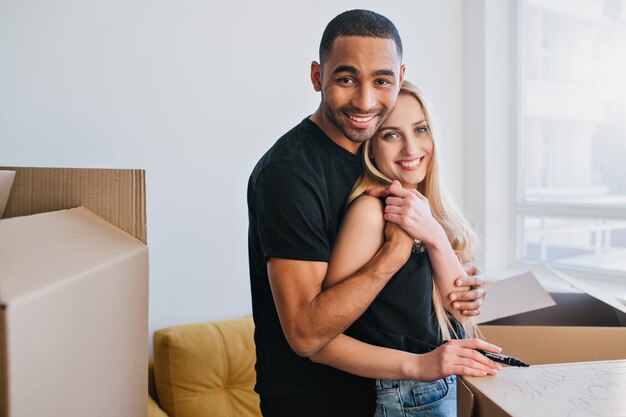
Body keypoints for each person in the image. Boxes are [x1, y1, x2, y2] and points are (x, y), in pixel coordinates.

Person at [247, 9, 490, 417]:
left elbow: (429, 304)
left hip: (389, 393)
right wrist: (395, 253)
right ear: (316, 77)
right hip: (316, 404)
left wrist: (448, 266)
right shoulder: (289, 175)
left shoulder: (371, 152)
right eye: (345, 79)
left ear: (399, 77)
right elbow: (306, 335)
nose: (364, 100)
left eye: (381, 80)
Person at [308, 81, 500, 417]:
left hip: (443, 387)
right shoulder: (370, 213)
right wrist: (419, 365)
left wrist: (437, 238)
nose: (411, 148)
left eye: (420, 129)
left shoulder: (427, 211)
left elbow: (462, 313)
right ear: (372, 146)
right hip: (404, 394)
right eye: (391, 135)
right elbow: (321, 343)